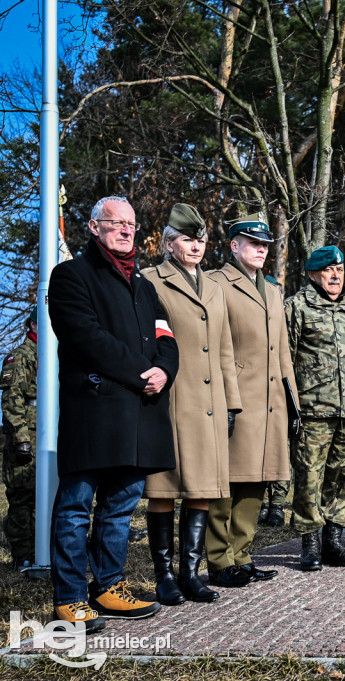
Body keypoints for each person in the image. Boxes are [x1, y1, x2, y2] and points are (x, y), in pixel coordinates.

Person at [48, 195, 178, 631]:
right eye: (115, 223)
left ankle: (107, 587)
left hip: (140, 414)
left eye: (131, 224)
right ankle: (68, 598)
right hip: (95, 411)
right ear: (93, 227)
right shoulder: (70, 276)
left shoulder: (144, 286)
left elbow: (167, 338)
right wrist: (142, 371)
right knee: (75, 508)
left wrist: (164, 369)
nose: (126, 230)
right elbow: (85, 336)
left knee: (120, 509)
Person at [141, 204, 240, 606]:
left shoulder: (214, 287)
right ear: (168, 243)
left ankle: (190, 573)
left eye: (200, 239)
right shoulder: (150, 281)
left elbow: (224, 348)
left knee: (202, 487)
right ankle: (163, 576)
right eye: (187, 239)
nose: (196, 246)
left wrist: (232, 402)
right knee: (164, 487)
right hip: (171, 399)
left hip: (211, 401)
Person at [207, 213, 298, 586]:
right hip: (237, 397)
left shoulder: (272, 290)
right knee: (227, 480)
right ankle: (218, 559)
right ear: (234, 246)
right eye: (253, 244)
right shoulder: (216, 283)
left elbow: (283, 352)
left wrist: (292, 400)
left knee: (257, 481)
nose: (261, 250)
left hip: (271, 399)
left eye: (265, 245)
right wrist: (227, 400)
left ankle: (242, 555)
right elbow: (214, 347)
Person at [285, 246, 345, 571]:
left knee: (344, 477)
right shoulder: (296, 307)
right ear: (313, 273)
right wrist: (290, 410)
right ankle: (310, 544)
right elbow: (284, 362)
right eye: (329, 270)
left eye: (340, 270)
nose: (336, 275)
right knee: (309, 476)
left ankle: (334, 542)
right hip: (313, 411)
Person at [1, 307, 38, 570]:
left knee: (49, 496)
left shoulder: (56, 356)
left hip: (53, 437)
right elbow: (12, 402)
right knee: (23, 498)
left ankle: (44, 549)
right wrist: (21, 439)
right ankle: (23, 554)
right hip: (28, 437)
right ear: (33, 325)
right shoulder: (20, 356)